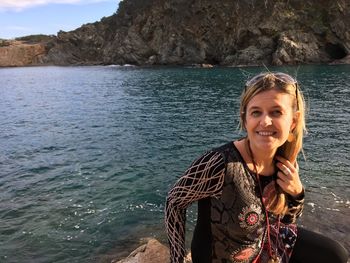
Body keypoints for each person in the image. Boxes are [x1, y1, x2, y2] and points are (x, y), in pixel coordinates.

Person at [165, 72, 348, 263]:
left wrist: (297, 193)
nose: (265, 121)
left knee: (336, 255)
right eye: (256, 112)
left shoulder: (284, 159)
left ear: (293, 121)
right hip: (220, 259)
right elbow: (174, 202)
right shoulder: (219, 163)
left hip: (266, 245)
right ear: (245, 119)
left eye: (276, 112)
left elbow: (287, 222)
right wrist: (177, 259)